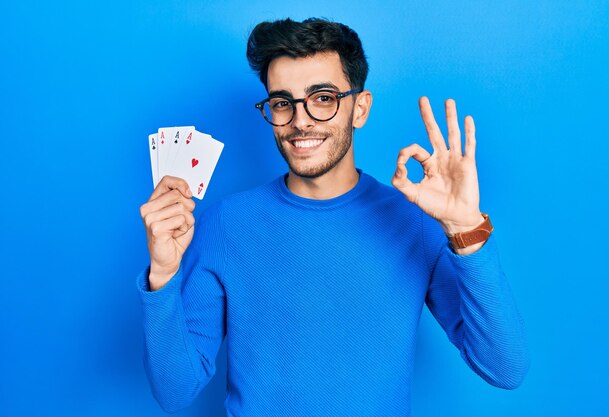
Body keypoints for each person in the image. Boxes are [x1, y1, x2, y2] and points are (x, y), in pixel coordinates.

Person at [137, 17, 529, 416]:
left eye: (322, 98)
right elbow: (174, 391)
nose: (300, 120)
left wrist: (467, 231)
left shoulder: (415, 223)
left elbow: (503, 367)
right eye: (282, 102)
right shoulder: (225, 224)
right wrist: (163, 276)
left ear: (360, 108)